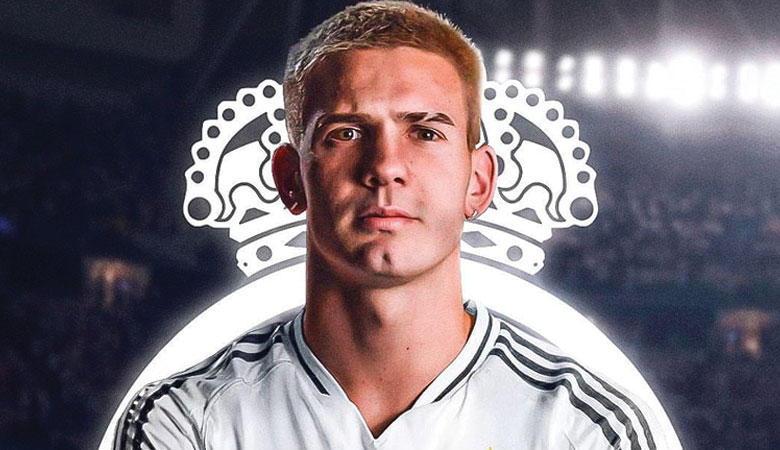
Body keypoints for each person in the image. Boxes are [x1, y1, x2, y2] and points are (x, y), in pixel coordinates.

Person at [114, 2, 666, 449]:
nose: (385, 167)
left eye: (425, 132)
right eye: (346, 133)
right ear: (290, 178)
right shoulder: (185, 419)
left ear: (479, 181)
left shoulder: (588, 430)